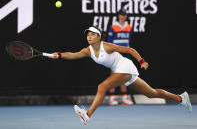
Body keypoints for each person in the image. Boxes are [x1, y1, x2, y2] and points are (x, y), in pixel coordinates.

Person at [51, 26, 192, 125]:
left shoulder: (106, 46)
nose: (89, 37)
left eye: (92, 34)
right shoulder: (87, 50)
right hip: (122, 71)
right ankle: (181, 98)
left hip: (125, 67)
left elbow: (129, 49)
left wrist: (141, 61)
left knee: (102, 86)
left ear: (99, 37)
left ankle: (87, 115)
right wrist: (59, 55)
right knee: (151, 93)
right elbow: (73, 55)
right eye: (88, 35)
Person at [107, 8, 133, 106]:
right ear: (118, 16)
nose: (123, 16)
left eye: (125, 14)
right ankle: (111, 98)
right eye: (122, 14)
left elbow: (128, 40)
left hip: (126, 54)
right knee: (114, 76)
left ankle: (124, 98)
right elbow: (109, 42)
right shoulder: (113, 27)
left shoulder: (129, 27)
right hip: (115, 54)